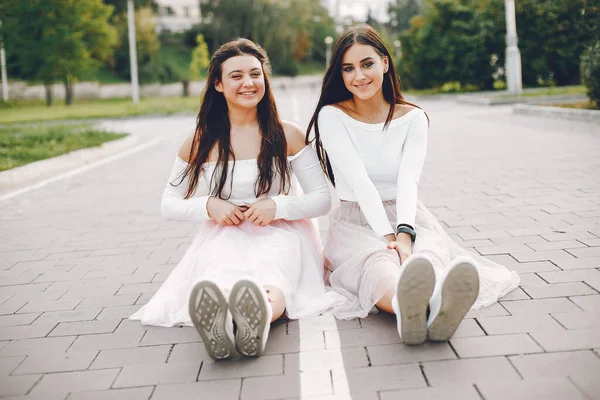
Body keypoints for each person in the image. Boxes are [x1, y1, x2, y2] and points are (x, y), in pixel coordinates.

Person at [130, 38, 343, 359]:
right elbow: (168, 204)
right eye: (236, 75)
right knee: (220, 275)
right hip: (225, 231)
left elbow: (322, 199)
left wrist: (279, 206)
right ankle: (225, 323)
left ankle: (253, 324)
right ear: (218, 84)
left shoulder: (288, 134)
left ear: (265, 79)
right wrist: (208, 205)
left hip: (283, 231)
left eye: (255, 74)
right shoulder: (200, 140)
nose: (248, 83)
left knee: (272, 275)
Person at [306, 24, 520, 345]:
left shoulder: (413, 118)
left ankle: (432, 307)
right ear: (340, 74)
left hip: (408, 216)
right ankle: (409, 309)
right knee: (379, 264)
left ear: (385, 63)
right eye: (348, 68)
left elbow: (408, 179)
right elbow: (359, 181)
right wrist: (389, 238)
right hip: (356, 219)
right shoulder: (332, 116)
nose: (359, 76)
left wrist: (405, 234)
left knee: (425, 259)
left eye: (367, 64)